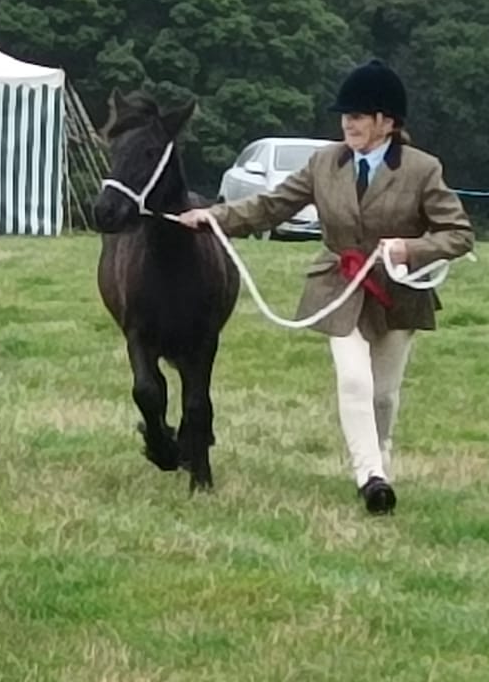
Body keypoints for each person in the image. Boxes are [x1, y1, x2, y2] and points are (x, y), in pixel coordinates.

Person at [176, 60, 473, 513]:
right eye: (346, 115)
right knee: (354, 380)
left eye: (358, 115)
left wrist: (409, 249)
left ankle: (381, 456)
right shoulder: (324, 164)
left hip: (398, 291)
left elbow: (458, 234)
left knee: (382, 394)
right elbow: (271, 206)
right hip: (338, 286)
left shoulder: (422, 170)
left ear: (387, 122)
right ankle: (371, 478)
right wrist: (213, 217)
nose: (348, 123)